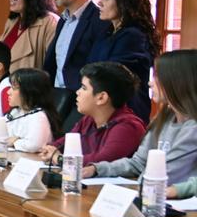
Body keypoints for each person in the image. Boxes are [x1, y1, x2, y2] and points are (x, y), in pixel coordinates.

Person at [82, 50, 197, 185]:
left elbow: (160, 175)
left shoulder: (193, 128)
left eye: (157, 77)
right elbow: (139, 163)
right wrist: (97, 169)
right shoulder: (163, 119)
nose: (150, 83)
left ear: (177, 81)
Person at [43, 0, 111, 128]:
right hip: (56, 97)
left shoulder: (99, 21)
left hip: (80, 101)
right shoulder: (62, 20)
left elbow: (96, 65)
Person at [40, 62, 145, 167]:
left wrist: (60, 159)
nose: (77, 92)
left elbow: (101, 160)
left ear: (101, 98)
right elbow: (59, 145)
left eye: (84, 88)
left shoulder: (127, 127)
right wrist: (49, 151)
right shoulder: (89, 119)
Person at [88, 0, 160, 123]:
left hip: (125, 113)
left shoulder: (134, 35)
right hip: (102, 107)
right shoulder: (107, 32)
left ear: (123, 3)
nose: (100, 2)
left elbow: (112, 75)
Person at [0, 68, 59, 152]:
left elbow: (34, 145)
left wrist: (15, 141)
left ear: (30, 91)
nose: (8, 92)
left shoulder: (39, 116)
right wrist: (7, 141)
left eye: (14, 88)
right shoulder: (16, 112)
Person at [0, 0, 58, 72]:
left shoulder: (50, 22)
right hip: (4, 85)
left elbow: (53, 66)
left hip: (28, 86)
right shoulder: (13, 20)